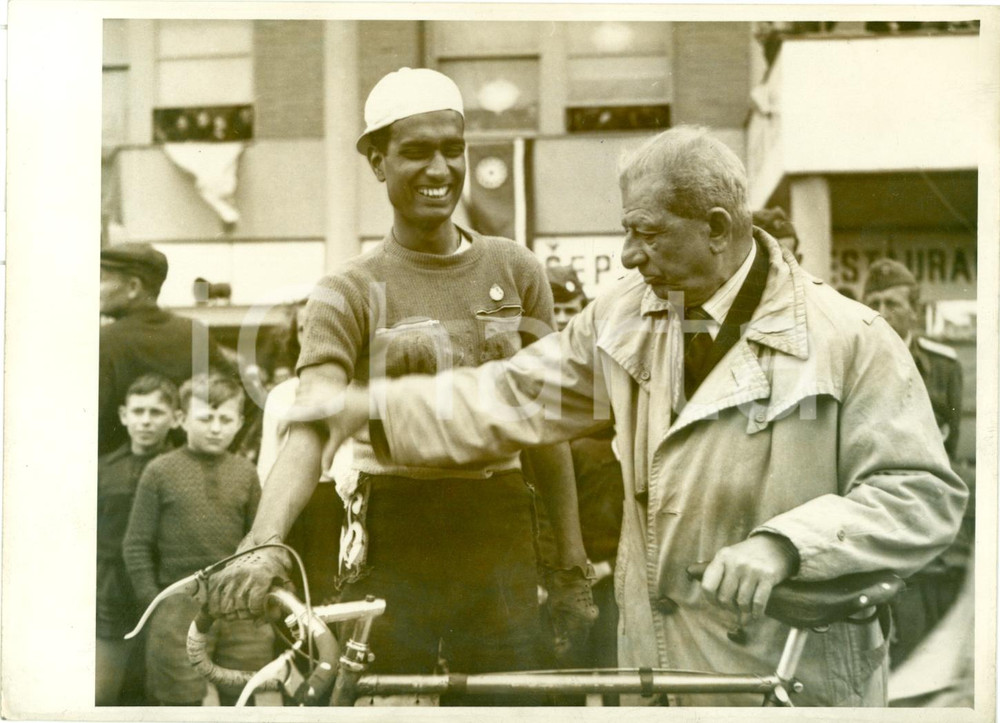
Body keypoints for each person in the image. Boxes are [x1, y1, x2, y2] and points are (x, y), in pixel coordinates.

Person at [285, 126, 966, 707]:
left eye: (644, 232)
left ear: (719, 228)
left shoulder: (850, 338)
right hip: (660, 675)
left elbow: (921, 496)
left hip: (788, 678)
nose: (627, 255)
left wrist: (786, 544)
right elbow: (514, 394)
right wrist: (371, 408)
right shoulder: (627, 313)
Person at [209, 67, 594, 705]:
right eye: (416, 151)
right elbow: (312, 425)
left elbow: (544, 425)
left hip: (500, 526)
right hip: (396, 527)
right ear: (377, 161)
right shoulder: (347, 290)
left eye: (452, 148)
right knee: (387, 697)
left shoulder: (516, 269)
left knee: (511, 702)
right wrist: (264, 541)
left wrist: (569, 566)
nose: (439, 168)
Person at [123, 373, 273, 706]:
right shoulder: (160, 471)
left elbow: (260, 540)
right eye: (206, 418)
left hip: (238, 602)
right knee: (178, 696)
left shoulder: (246, 472)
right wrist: (155, 602)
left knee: (248, 689)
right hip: (178, 603)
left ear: (239, 423)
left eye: (225, 419)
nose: (216, 428)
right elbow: (136, 545)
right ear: (181, 419)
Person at [861, 258, 970, 668]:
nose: (882, 312)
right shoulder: (856, 362)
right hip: (872, 509)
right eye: (874, 302)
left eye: (892, 303)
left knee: (924, 643)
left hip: (923, 515)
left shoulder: (943, 367)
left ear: (914, 310)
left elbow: (950, 449)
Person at [543, 265, 625, 699]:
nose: (560, 319)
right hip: (554, 568)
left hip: (610, 563)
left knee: (617, 680)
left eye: (569, 309)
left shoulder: (604, 368)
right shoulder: (529, 369)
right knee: (561, 685)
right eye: (552, 309)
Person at [96, 374, 182, 706]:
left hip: (162, 588)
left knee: (158, 689)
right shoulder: (104, 469)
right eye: (138, 411)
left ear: (176, 418)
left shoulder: (182, 467)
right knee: (104, 691)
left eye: (156, 412)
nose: (145, 421)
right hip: (112, 590)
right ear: (123, 416)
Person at [99, 242, 231, 455]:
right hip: (187, 469)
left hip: (117, 477)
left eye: (102, 280)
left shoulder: (104, 341)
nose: (96, 289)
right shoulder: (193, 332)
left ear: (133, 287)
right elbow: (237, 398)